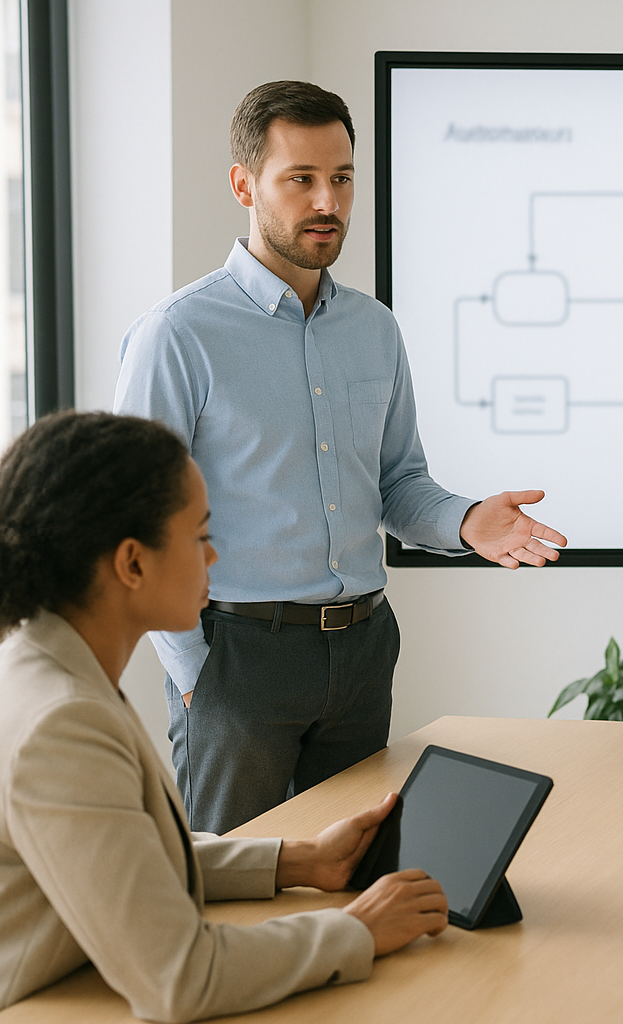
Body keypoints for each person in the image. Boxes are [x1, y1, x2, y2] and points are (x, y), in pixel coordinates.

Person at [114, 80, 568, 834]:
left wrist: (464, 524)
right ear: (243, 185)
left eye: (342, 178)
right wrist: (197, 673)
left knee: (356, 887)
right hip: (239, 657)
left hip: (360, 651)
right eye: (301, 180)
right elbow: (132, 517)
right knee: (237, 891)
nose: (328, 200)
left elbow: (398, 483)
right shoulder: (177, 335)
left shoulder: (375, 329)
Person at [0, 412, 452, 1024]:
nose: (214, 556)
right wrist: (356, 930)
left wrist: (303, 859)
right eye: (201, 535)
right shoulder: (58, 722)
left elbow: (126, 860)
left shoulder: (48, 663)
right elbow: (182, 978)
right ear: (132, 563)